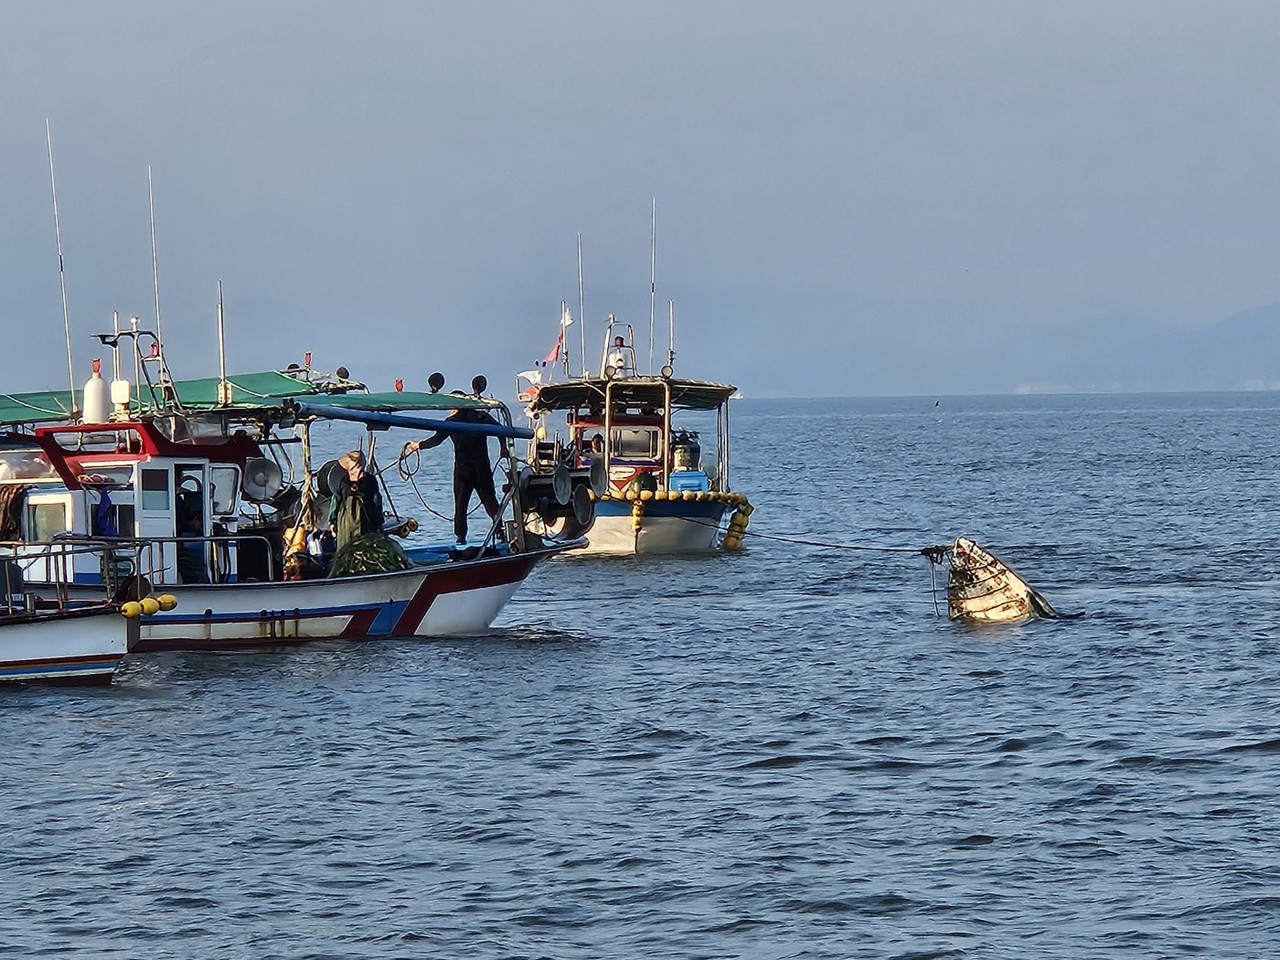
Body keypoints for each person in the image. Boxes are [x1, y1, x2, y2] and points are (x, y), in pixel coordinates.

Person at [407, 388, 508, 545]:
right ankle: (500, 532)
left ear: (454, 405)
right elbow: (501, 431)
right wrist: (504, 448)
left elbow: (436, 440)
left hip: (463, 469)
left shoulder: (452, 422)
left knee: (461, 504)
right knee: (490, 501)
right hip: (482, 467)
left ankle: (461, 538)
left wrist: (417, 446)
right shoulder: (481, 416)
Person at [331, 449, 384, 549]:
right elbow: (377, 501)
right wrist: (379, 521)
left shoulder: (343, 480)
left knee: (348, 547)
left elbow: (336, 501)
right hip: (363, 520)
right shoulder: (370, 479)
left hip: (351, 521)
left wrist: (333, 521)